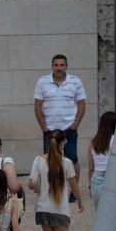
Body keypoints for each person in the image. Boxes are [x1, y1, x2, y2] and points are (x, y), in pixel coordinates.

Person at [29, 129, 83, 231]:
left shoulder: (38, 160)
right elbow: (74, 185)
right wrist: (80, 200)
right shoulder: (66, 163)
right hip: (59, 208)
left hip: (42, 207)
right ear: (63, 143)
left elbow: (32, 182)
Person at [34, 54, 86, 202]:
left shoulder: (75, 81)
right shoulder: (42, 82)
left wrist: (75, 125)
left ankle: (73, 192)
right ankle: (50, 190)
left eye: (62, 65)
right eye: (56, 65)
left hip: (69, 129)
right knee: (49, 160)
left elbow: (82, 104)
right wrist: (43, 127)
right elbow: (37, 105)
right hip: (49, 129)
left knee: (72, 159)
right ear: (52, 66)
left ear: (66, 66)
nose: (59, 68)